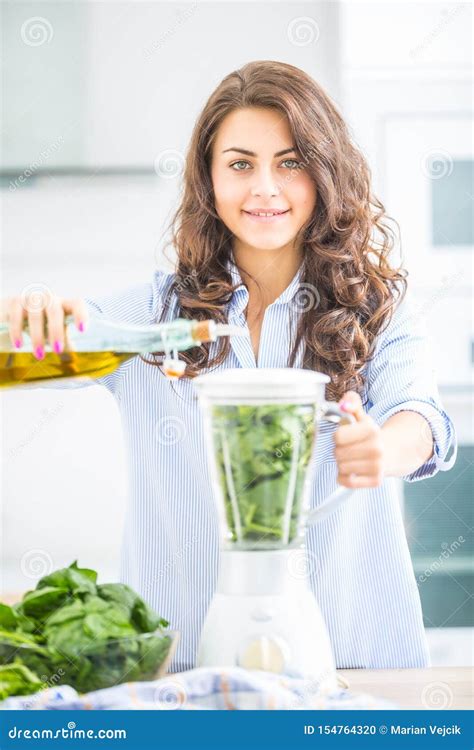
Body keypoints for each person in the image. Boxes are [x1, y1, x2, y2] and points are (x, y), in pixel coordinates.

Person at [3, 60, 457, 671]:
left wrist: (381, 448)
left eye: (290, 162)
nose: (264, 188)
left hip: (359, 664)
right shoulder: (152, 315)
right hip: (183, 671)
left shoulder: (377, 312)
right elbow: (44, 343)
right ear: (209, 180)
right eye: (240, 164)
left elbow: (421, 418)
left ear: (325, 173)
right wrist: (32, 320)